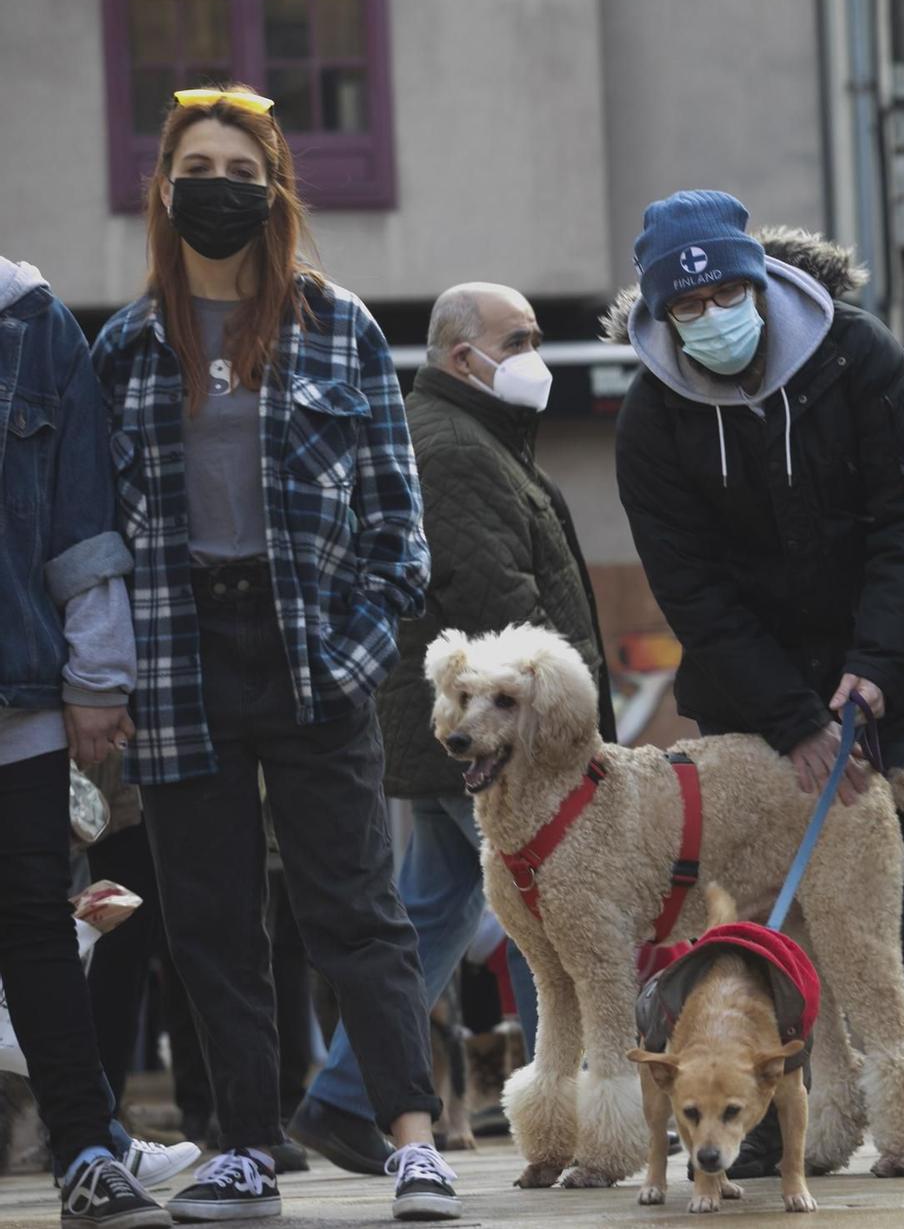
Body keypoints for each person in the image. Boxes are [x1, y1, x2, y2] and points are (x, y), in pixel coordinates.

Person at [92, 85, 457, 1222]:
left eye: (242, 172)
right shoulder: (124, 342)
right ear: (163, 188)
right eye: (197, 166)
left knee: (354, 906)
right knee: (208, 916)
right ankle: (244, 1142)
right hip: (177, 649)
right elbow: (99, 533)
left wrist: (354, 654)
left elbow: (401, 531)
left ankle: (412, 1140)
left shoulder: (335, 322)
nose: (218, 186)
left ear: (273, 191)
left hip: (312, 645)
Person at [612, 204, 904, 1175]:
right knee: (769, 897)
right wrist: (791, 717)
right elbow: (691, 586)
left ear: (761, 285)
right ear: (661, 312)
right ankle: (789, 1111)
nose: (712, 313)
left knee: (894, 880)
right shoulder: (650, 415)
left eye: (727, 292)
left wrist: (873, 661)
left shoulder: (853, 355)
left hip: (883, 647)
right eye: (687, 301)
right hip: (749, 683)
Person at [289, 282, 613, 1174]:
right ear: (460, 354)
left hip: (468, 731)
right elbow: (498, 609)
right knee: (542, 917)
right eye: (520, 338)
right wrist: (562, 732)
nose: (535, 354)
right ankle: (569, 1112)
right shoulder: (459, 450)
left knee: (449, 906)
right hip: (496, 736)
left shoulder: (472, 438)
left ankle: (348, 1093)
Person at [0, 256, 203, 1226]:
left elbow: (80, 514)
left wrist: (95, 675)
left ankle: (84, 1145)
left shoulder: (29, 318)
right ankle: (99, 1137)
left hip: (16, 689)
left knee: (36, 921)